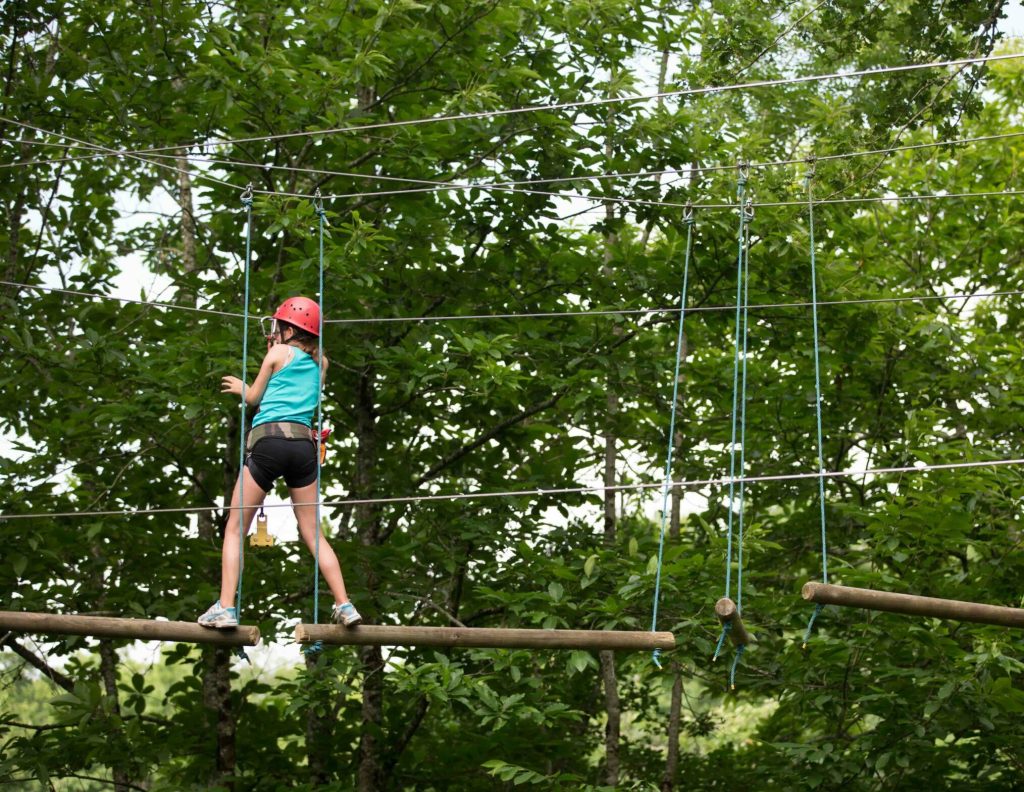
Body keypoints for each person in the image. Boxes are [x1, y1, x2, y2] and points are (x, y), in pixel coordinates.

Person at [198, 296, 361, 629]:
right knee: (314, 533)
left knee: (234, 527)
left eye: (277, 327)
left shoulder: (276, 353)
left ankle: (226, 608)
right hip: (303, 447)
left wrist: (241, 386)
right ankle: (344, 604)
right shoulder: (323, 363)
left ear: (288, 329)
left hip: (269, 442)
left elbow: (255, 398)